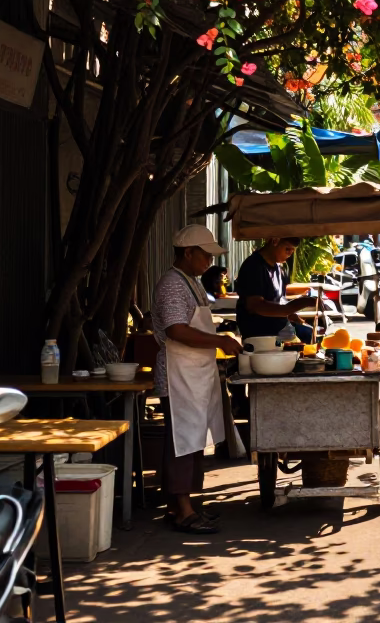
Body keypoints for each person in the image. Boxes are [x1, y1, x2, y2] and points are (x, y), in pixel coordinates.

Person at [152, 225, 243, 534]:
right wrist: (220, 341)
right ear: (188, 253)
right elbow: (176, 330)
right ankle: (182, 512)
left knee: (192, 443)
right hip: (179, 377)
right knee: (182, 443)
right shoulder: (172, 285)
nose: (209, 262)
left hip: (193, 374)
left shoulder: (190, 282)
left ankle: (183, 505)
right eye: (205, 255)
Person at [235, 237, 316, 341]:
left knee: (311, 335)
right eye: (287, 249)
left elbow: (276, 300)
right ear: (275, 241)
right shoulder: (254, 266)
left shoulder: (278, 267)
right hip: (260, 336)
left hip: (279, 331)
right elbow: (255, 305)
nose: (290, 254)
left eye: (293, 251)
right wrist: (295, 306)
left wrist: (290, 314)